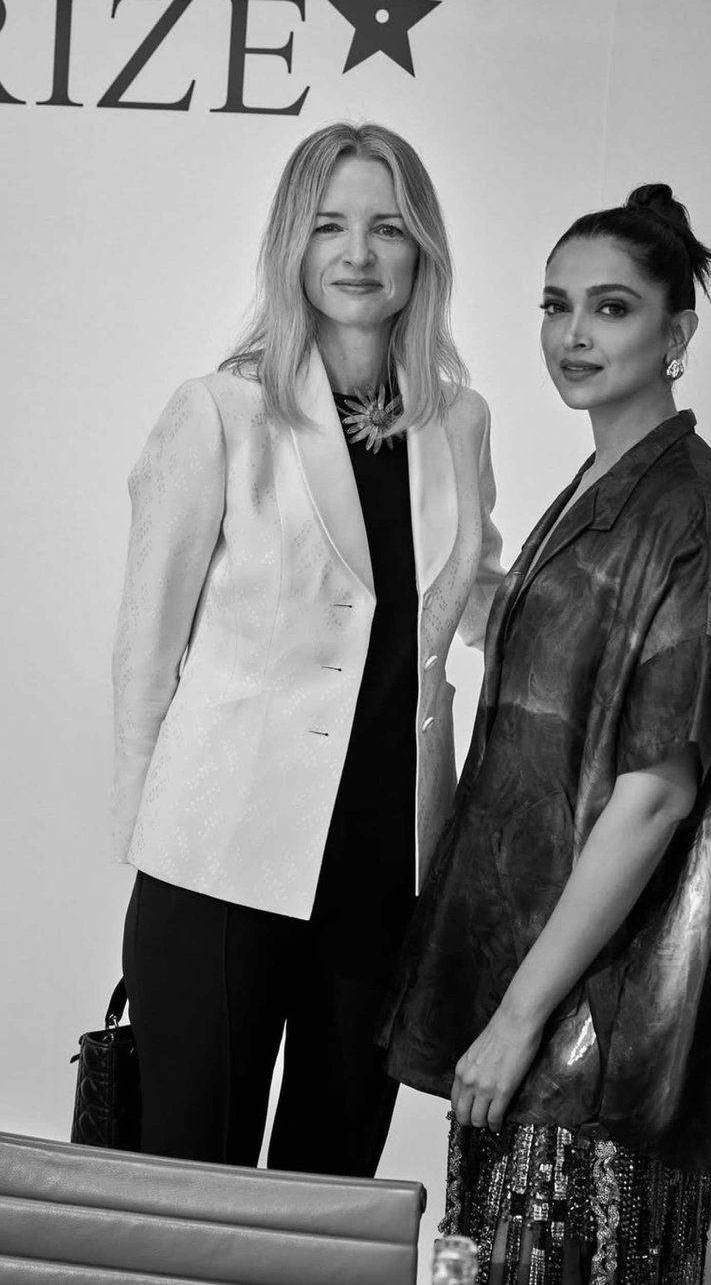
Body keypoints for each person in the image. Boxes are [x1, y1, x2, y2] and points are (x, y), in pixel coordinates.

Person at [383, 185, 711, 1283]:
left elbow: (653, 795)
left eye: (610, 308)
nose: (572, 334)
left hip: (588, 1033)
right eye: (555, 305)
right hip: (526, 995)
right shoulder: (593, 485)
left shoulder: (692, 512)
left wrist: (520, 1018)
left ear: (677, 333)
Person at [112, 122, 503, 1175]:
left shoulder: (458, 423)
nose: (358, 252)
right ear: (291, 243)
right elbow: (145, 651)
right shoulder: (221, 412)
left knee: (328, 1196)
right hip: (218, 869)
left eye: (386, 226)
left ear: (422, 249)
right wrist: (153, 848)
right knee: (193, 1184)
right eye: (329, 225)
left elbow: (476, 591)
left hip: (386, 879)